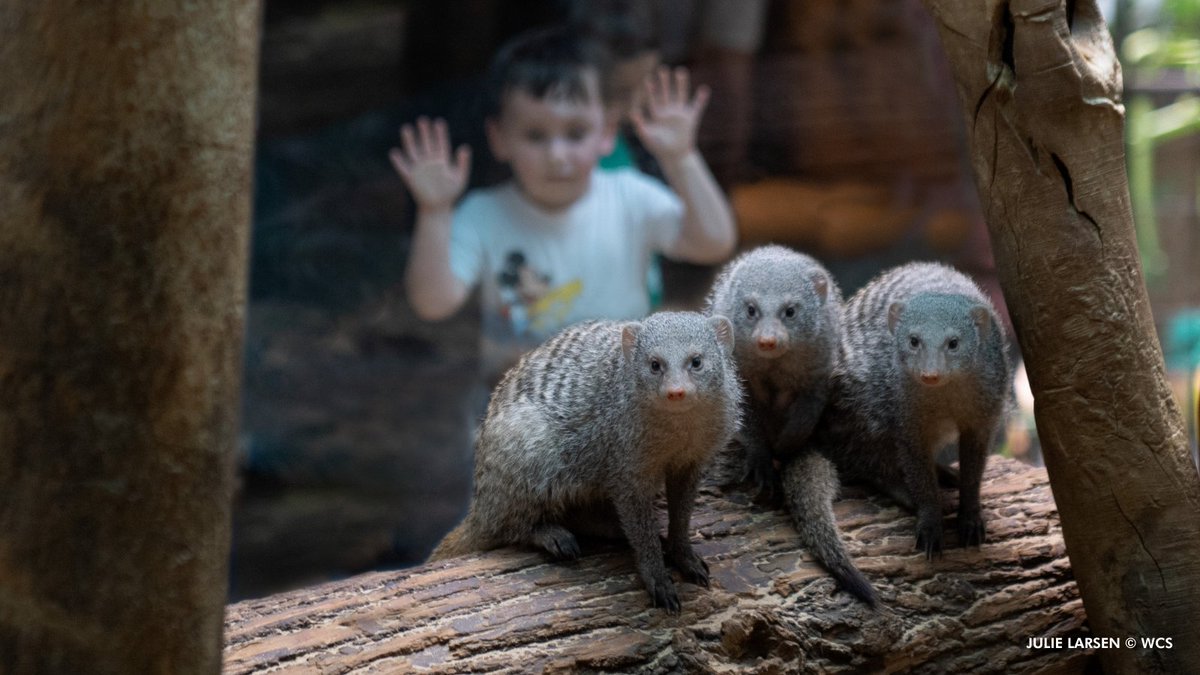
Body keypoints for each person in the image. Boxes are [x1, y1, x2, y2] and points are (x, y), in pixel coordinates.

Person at [389, 26, 737, 388]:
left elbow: (713, 242)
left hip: (622, 402)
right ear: (499, 138)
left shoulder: (630, 197)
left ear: (606, 133)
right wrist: (434, 213)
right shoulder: (482, 215)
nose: (557, 157)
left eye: (575, 133)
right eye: (535, 135)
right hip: (521, 411)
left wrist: (681, 158)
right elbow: (433, 303)